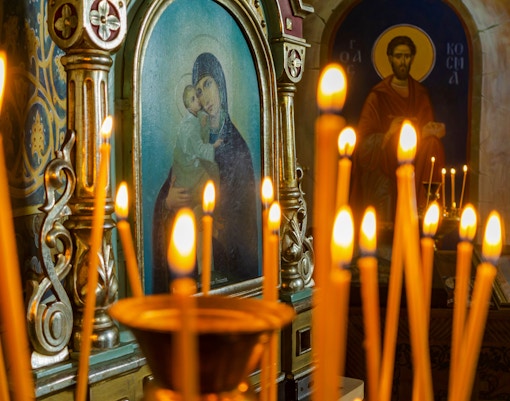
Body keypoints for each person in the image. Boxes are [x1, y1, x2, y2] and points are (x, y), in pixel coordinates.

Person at [152, 53, 259, 293]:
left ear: (220, 84)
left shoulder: (238, 146)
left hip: (228, 275)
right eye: (198, 91)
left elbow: (244, 223)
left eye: (208, 84)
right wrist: (167, 202)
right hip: (190, 271)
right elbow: (174, 183)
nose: (205, 96)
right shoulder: (194, 140)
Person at [351, 35, 445, 224]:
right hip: (383, 165)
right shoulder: (377, 96)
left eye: (407, 56)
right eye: (398, 56)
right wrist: (388, 134)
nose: (403, 61)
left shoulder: (420, 94)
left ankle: (424, 208)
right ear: (390, 58)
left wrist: (432, 132)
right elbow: (362, 147)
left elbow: (427, 133)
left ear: (412, 58)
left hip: (416, 165)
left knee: (433, 145)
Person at [173, 84, 222, 212]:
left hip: (194, 161)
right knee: (211, 176)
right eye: (193, 99)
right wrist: (214, 146)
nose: (198, 100)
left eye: (197, 96)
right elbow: (199, 148)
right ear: (188, 105)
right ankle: (209, 210)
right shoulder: (189, 126)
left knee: (213, 169)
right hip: (189, 169)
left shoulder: (196, 118)